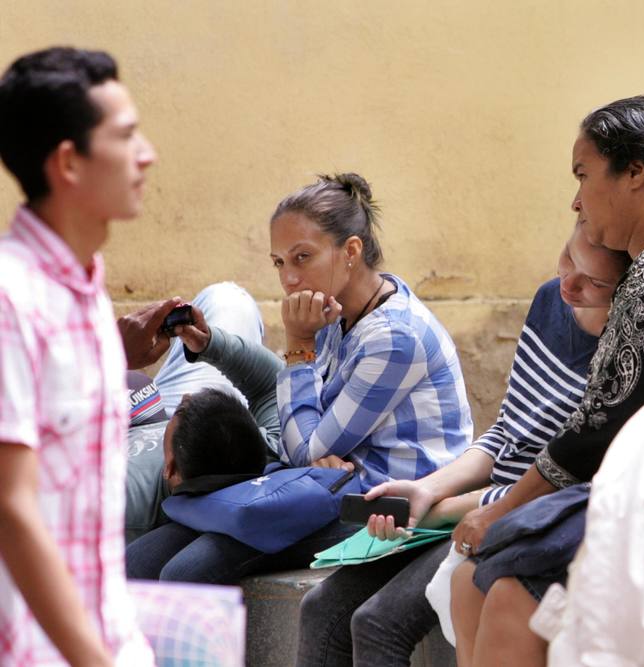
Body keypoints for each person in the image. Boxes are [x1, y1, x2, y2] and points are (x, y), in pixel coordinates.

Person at [449, 93, 644, 667]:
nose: (576, 199)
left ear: (635, 171)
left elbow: (598, 428)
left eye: (584, 174)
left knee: (503, 590)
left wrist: (498, 511)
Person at [296, 222, 630, 667]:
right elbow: (507, 432)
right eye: (568, 258)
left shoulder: (630, 346)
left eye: (595, 281)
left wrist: (441, 507)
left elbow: (565, 485)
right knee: (320, 607)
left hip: (530, 514)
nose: (568, 284)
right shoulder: (550, 300)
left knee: (377, 622)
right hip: (470, 504)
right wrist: (430, 489)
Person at [126, 172, 474, 583]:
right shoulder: (333, 309)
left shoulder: (394, 338)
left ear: (351, 251)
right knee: (141, 560)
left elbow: (302, 447)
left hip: (383, 503)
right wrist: (211, 343)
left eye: (302, 257)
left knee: (187, 571)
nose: (289, 278)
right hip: (328, 485)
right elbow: (300, 428)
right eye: (279, 262)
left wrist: (298, 343)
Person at [0, 47, 156, 666]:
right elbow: (12, 506)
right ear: (68, 161)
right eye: (125, 136)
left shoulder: (86, 285)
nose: (147, 154)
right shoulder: (12, 297)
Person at [122, 281, 275, 544]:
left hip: (106, 429)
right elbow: (272, 384)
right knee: (228, 297)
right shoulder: (265, 446)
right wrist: (208, 343)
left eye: (184, 407)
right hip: (165, 424)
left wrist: (112, 354)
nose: (187, 395)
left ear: (170, 469)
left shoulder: (121, 497)